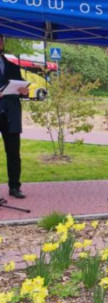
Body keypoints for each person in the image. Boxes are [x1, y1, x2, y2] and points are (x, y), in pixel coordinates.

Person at [0, 35, 29, 199]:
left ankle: (14, 187)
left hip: (11, 115)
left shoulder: (12, 65)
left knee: (13, 154)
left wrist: (25, 91)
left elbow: (21, 86)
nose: (0, 43)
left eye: (1, 40)